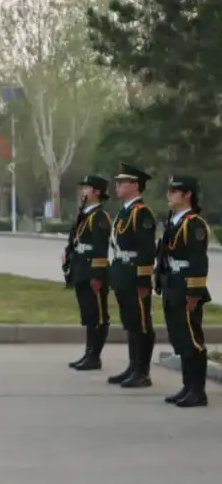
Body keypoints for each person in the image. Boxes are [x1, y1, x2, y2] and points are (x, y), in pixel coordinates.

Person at [159, 176, 210, 407]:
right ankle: (187, 386)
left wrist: (194, 292)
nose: (169, 195)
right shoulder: (175, 221)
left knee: (192, 341)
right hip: (173, 286)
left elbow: (198, 262)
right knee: (181, 340)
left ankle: (197, 391)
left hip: (186, 288)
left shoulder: (194, 224)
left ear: (187, 194)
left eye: (174, 191)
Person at [106, 162, 157, 388]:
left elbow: (146, 250)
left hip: (135, 275)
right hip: (122, 273)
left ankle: (142, 372)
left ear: (135, 185)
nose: (117, 186)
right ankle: (133, 366)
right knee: (130, 322)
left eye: (122, 182)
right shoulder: (125, 212)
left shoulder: (141, 214)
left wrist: (144, 279)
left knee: (141, 322)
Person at [65, 174, 112, 370]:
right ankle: (88, 353)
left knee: (98, 316)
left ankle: (95, 356)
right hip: (81, 271)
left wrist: (97, 275)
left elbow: (100, 249)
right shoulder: (84, 215)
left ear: (96, 192)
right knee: (89, 315)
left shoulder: (99, 217)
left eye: (86, 187)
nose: (82, 191)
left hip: (93, 273)